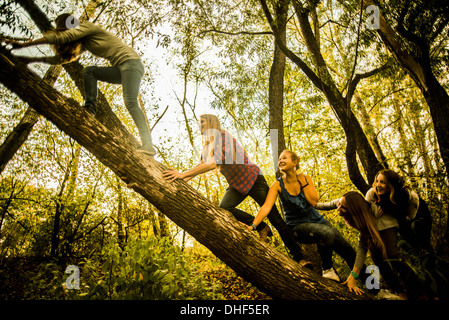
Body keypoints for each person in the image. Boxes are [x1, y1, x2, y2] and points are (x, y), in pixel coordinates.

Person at [163, 114, 310, 267]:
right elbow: (200, 167)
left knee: (275, 218)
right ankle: (261, 227)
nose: (199, 125)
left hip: (253, 179)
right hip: (236, 185)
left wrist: (183, 174)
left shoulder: (223, 136)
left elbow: (213, 163)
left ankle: (300, 258)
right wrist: (181, 178)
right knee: (224, 207)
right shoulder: (207, 147)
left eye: (202, 122)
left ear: (211, 123)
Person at [7, 13, 156, 156]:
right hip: (122, 68)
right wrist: (31, 60)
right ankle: (90, 110)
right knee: (89, 71)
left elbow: (63, 36)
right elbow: (62, 59)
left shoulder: (87, 27)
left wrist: (24, 44)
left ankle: (148, 145)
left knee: (130, 102)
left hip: (130, 63)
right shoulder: (85, 41)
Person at [249, 150, 359, 281]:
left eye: (284, 158)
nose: (280, 161)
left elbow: (313, 202)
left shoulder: (306, 179)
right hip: (298, 228)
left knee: (351, 254)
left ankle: (376, 289)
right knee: (326, 233)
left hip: (319, 222)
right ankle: (327, 269)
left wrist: (304, 182)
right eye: (279, 159)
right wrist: (253, 225)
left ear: (294, 162)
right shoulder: (277, 184)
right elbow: (266, 206)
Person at [334, 191, 425, 299]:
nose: (338, 208)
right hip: (376, 234)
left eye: (342, 207)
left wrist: (353, 276)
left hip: (392, 227)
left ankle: (420, 292)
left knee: (393, 257)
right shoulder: (355, 213)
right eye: (339, 204)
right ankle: (399, 292)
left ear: (353, 210)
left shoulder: (372, 212)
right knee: (378, 259)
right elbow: (362, 247)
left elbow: (363, 247)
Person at [368, 169, 432, 252]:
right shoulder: (374, 193)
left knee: (423, 243)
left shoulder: (404, 195)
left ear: (391, 185)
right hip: (403, 220)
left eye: (382, 182)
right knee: (413, 245)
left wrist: (386, 207)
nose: (378, 185)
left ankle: (431, 259)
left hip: (419, 216)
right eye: (377, 181)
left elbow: (406, 216)